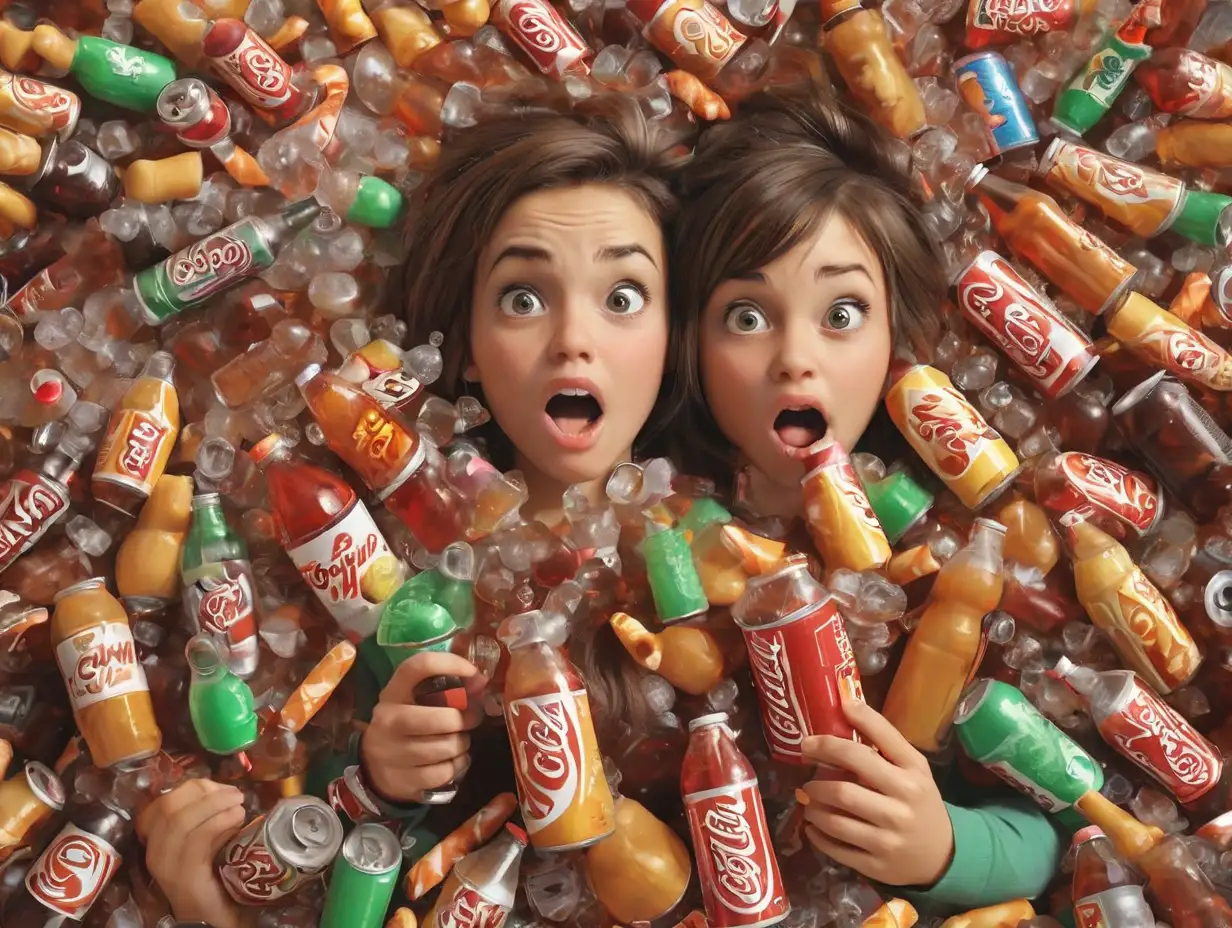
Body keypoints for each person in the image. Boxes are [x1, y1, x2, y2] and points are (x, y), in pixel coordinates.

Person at [135, 98, 688, 928]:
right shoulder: (388, 581)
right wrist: (380, 781)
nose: (575, 338)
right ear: (460, 342)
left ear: (678, 332)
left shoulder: (711, 551)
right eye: (523, 299)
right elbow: (323, 835)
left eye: (624, 296)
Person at [669, 87, 1065, 913]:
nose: (795, 359)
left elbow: (1051, 826)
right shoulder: (660, 545)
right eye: (746, 316)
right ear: (690, 346)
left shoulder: (957, 563)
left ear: (899, 342)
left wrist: (944, 846)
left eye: (842, 312)